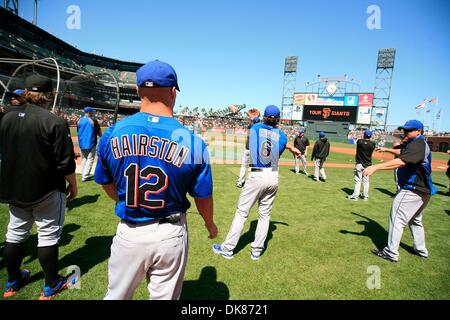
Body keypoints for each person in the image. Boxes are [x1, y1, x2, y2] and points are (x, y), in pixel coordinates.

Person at [94, 60, 218, 300]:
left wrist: (125, 199)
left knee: (115, 297)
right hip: (170, 233)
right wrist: (210, 225)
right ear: (173, 92)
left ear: (139, 91)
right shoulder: (193, 142)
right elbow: (203, 196)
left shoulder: (113, 133)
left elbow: (105, 181)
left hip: (128, 232)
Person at [0, 74, 78, 299]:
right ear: (48, 95)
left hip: (14, 188)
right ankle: (51, 284)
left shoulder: (6, 117)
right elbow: (65, 163)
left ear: (26, 92)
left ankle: (13, 281)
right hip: (46, 188)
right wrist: (73, 186)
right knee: (48, 236)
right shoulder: (53, 120)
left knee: (14, 234)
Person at [212, 105, 301, 261]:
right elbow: (272, 136)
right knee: (265, 216)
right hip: (273, 177)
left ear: (264, 117)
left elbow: (257, 123)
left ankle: (227, 249)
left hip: (257, 175)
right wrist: (291, 147)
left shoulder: (256, 127)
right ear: (278, 119)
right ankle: (256, 251)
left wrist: (252, 116)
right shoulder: (282, 136)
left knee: (242, 213)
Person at [363, 120, 436, 262]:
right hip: (423, 190)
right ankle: (421, 250)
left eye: (409, 130)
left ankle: (391, 252)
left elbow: (402, 161)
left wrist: (375, 167)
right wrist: (387, 150)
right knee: (415, 220)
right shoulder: (416, 144)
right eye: (404, 130)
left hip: (412, 189)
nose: (405, 132)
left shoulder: (419, 144)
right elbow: (402, 152)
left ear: (418, 132)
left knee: (397, 218)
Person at [347, 130, 376, 201]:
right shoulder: (373, 144)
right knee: (366, 181)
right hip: (368, 164)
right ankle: (365, 196)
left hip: (359, 163)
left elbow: (360, 140)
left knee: (358, 180)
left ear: (364, 135)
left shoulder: (359, 142)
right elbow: (369, 142)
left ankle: (355, 196)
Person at [236, 109, 261, 188]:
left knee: (244, 166)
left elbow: (250, 117)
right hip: (255, 150)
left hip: (247, 148)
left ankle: (240, 181)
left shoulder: (250, 126)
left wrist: (251, 115)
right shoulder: (260, 128)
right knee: (252, 166)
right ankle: (250, 182)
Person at [77, 106, 102, 182]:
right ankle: (85, 176)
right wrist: (103, 137)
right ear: (89, 112)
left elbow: (78, 131)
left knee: (84, 159)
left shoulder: (79, 120)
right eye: (92, 112)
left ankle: (83, 174)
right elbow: (98, 131)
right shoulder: (93, 120)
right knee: (90, 159)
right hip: (91, 142)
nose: (92, 113)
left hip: (82, 143)